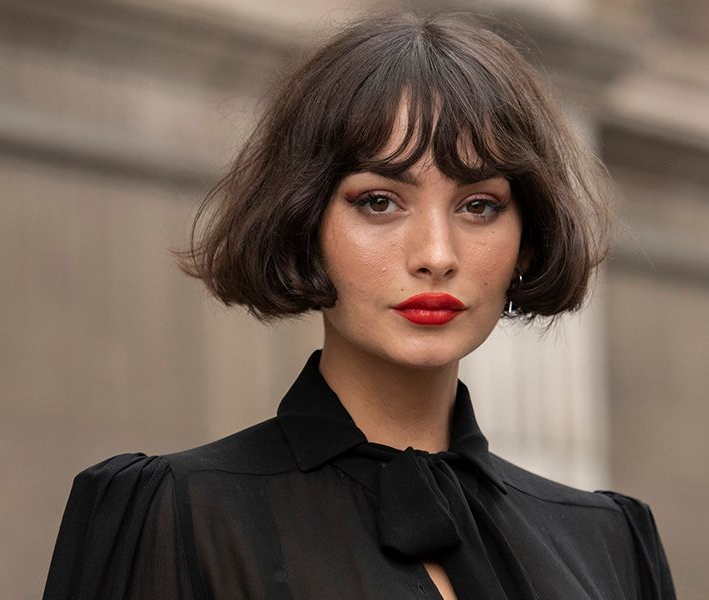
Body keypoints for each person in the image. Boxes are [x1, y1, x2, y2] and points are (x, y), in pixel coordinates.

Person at [42, 12, 675, 600]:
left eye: (478, 205)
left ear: (526, 237)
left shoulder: (606, 542)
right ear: (303, 220)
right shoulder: (171, 515)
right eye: (379, 201)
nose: (435, 253)